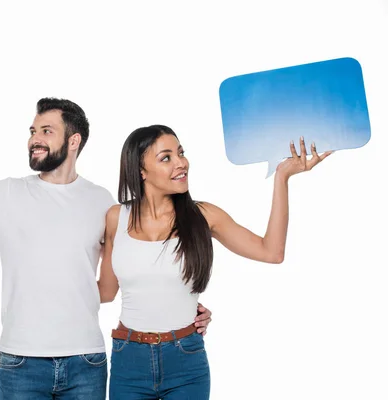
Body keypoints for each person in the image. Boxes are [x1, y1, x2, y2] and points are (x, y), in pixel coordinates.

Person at [0, 100, 213, 399]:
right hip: (21, 363)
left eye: (46, 131)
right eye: (32, 132)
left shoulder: (103, 204)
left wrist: (179, 305)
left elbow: (119, 281)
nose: (34, 139)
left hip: (87, 362)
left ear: (73, 141)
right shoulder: (7, 194)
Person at [97, 125, 332, 399]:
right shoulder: (116, 218)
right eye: (166, 157)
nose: (181, 163)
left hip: (185, 358)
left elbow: (272, 252)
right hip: (129, 358)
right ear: (140, 170)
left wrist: (282, 177)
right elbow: (106, 292)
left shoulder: (204, 216)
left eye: (181, 153)